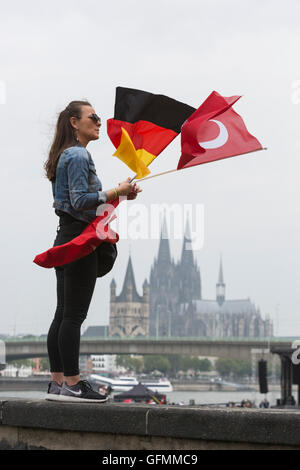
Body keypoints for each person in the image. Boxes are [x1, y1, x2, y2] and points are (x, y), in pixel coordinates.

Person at [44, 100, 142, 402]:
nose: (99, 122)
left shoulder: (65, 155)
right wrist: (116, 191)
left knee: (62, 314)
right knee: (73, 316)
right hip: (79, 240)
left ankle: (58, 384)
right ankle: (73, 384)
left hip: (66, 236)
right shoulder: (77, 154)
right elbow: (79, 201)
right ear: (75, 122)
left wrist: (121, 194)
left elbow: (84, 202)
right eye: (93, 117)